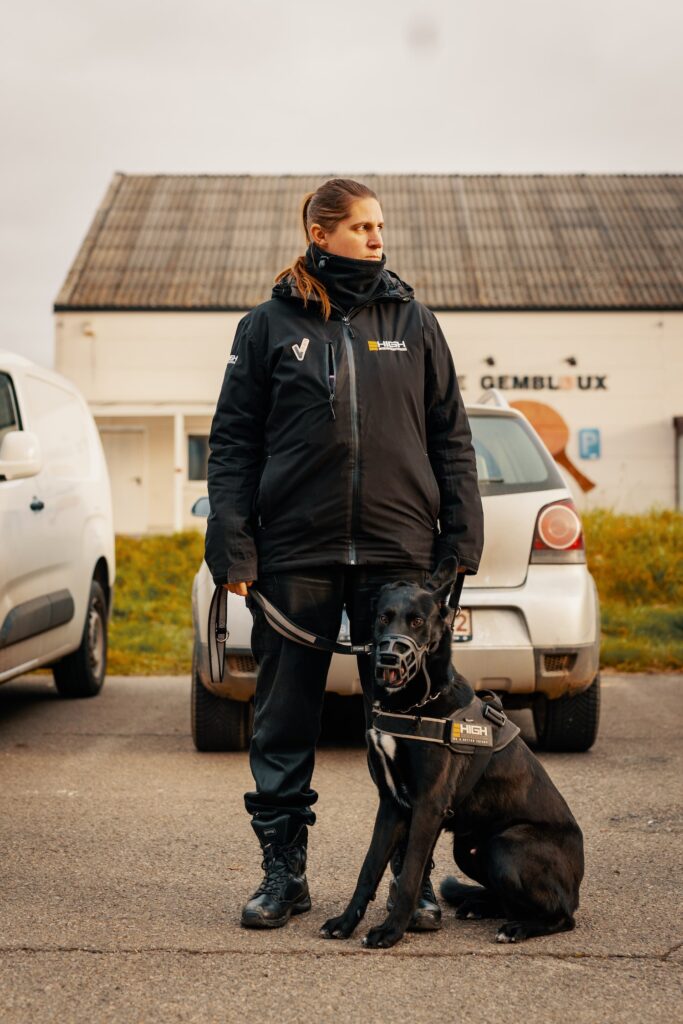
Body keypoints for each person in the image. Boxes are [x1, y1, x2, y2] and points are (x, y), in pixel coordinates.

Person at [204, 178, 483, 930]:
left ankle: (411, 877)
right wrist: (232, 544)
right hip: (295, 551)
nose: (375, 237)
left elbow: (451, 437)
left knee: (403, 723)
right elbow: (232, 442)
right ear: (319, 233)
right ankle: (282, 874)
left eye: (379, 225)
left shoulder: (413, 320)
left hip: (399, 553)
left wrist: (460, 542)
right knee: (283, 719)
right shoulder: (266, 326)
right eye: (360, 226)